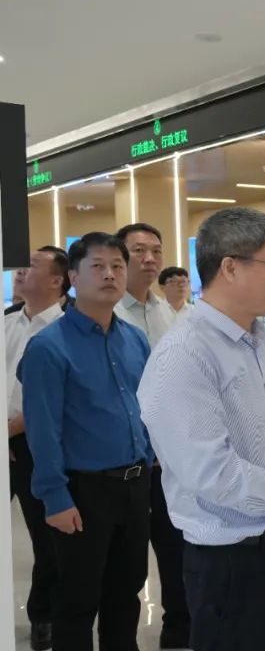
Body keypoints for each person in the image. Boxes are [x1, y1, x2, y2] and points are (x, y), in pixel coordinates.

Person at [138, 208, 265, 651]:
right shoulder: (184, 355)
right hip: (231, 563)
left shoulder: (263, 340)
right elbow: (212, 472)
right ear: (230, 267)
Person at [19, 232, 153, 651]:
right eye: (98, 266)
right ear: (73, 278)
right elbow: (43, 430)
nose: (110, 274)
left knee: (126, 592)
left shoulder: (135, 339)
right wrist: (55, 498)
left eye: (117, 266)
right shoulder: (47, 347)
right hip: (83, 491)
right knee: (77, 600)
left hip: (135, 484)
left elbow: (145, 408)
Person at [112, 222, 190, 649]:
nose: (149, 258)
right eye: (139, 250)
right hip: (125, 456)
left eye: (156, 250)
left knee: (175, 545)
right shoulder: (107, 312)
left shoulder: (166, 313)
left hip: (169, 455)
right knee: (126, 560)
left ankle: (178, 626)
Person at [6, 246, 69, 651]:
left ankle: (43, 615)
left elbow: (54, 397)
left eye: (30, 266)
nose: (19, 271)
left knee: (48, 541)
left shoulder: (66, 328)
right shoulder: (7, 321)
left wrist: (11, 432)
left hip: (36, 446)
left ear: (57, 281)